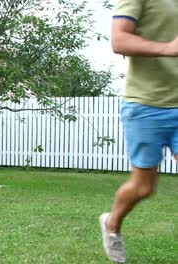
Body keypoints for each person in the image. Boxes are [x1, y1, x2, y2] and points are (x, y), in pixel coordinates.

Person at [100, 1, 178, 262]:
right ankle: (112, 224)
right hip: (146, 105)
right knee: (144, 187)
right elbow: (119, 40)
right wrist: (168, 48)